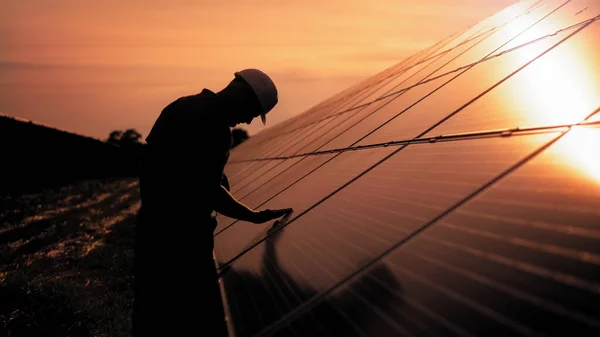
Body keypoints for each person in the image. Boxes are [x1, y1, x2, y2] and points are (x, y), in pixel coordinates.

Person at [133, 68, 293, 337]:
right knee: (196, 319)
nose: (249, 121)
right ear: (242, 94)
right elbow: (207, 191)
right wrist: (253, 216)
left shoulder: (181, 105)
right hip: (185, 240)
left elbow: (161, 165)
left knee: (151, 313)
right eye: (253, 112)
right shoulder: (216, 130)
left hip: (151, 227)